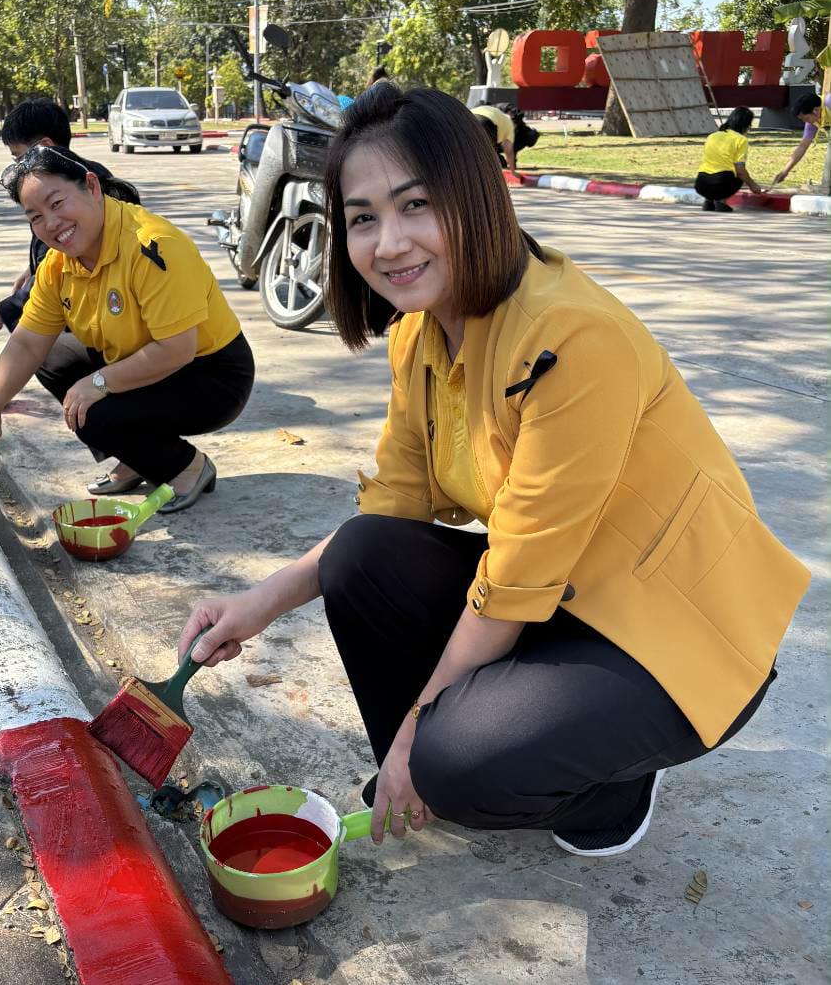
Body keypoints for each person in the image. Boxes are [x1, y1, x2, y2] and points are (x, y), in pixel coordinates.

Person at [177, 84, 809, 857]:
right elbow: (393, 507)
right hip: (566, 602)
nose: (390, 243)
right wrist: (258, 603)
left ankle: (607, 786)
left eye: (416, 206)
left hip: (677, 630)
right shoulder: (421, 337)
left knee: (449, 761)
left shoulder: (572, 338)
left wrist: (417, 739)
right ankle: (470, 757)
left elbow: (516, 574)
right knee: (362, 555)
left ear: (475, 197)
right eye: (363, 217)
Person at [0, 145, 254, 511]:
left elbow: (177, 349)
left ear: (91, 186)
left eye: (57, 204)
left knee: (90, 410)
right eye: (35, 217)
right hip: (141, 361)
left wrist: (96, 384)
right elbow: (27, 343)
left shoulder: (153, 246)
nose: (51, 225)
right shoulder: (58, 264)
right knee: (52, 357)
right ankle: (137, 455)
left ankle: (186, 467)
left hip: (211, 375)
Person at [0, 97, 137, 337]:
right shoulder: (83, 172)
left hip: (103, 313)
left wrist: (7, 308)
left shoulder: (75, 189)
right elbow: (55, 256)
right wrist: (32, 268)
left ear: (45, 145)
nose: (17, 169)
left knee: (34, 340)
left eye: (19, 158)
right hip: (90, 304)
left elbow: (66, 267)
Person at [694, 108, 762, 211]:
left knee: (718, 172)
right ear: (745, 125)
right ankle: (721, 201)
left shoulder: (712, 136)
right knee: (740, 176)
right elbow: (740, 171)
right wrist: (753, 185)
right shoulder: (740, 140)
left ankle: (709, 201)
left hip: (701, 183)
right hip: (721, 183)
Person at [771, 89, 830, 187]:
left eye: (805, 118)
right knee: (827, 182)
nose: (805, 122)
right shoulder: (812, 120)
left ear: (815, 111)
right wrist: (785, 171)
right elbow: (803, 146)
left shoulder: (829, 101)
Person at [472, 100, 517, 172]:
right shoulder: (509, 124)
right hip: (486, 121)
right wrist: (512, 171)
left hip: (467, 118)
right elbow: (509, 150)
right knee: (489, 156)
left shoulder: (498, 114)